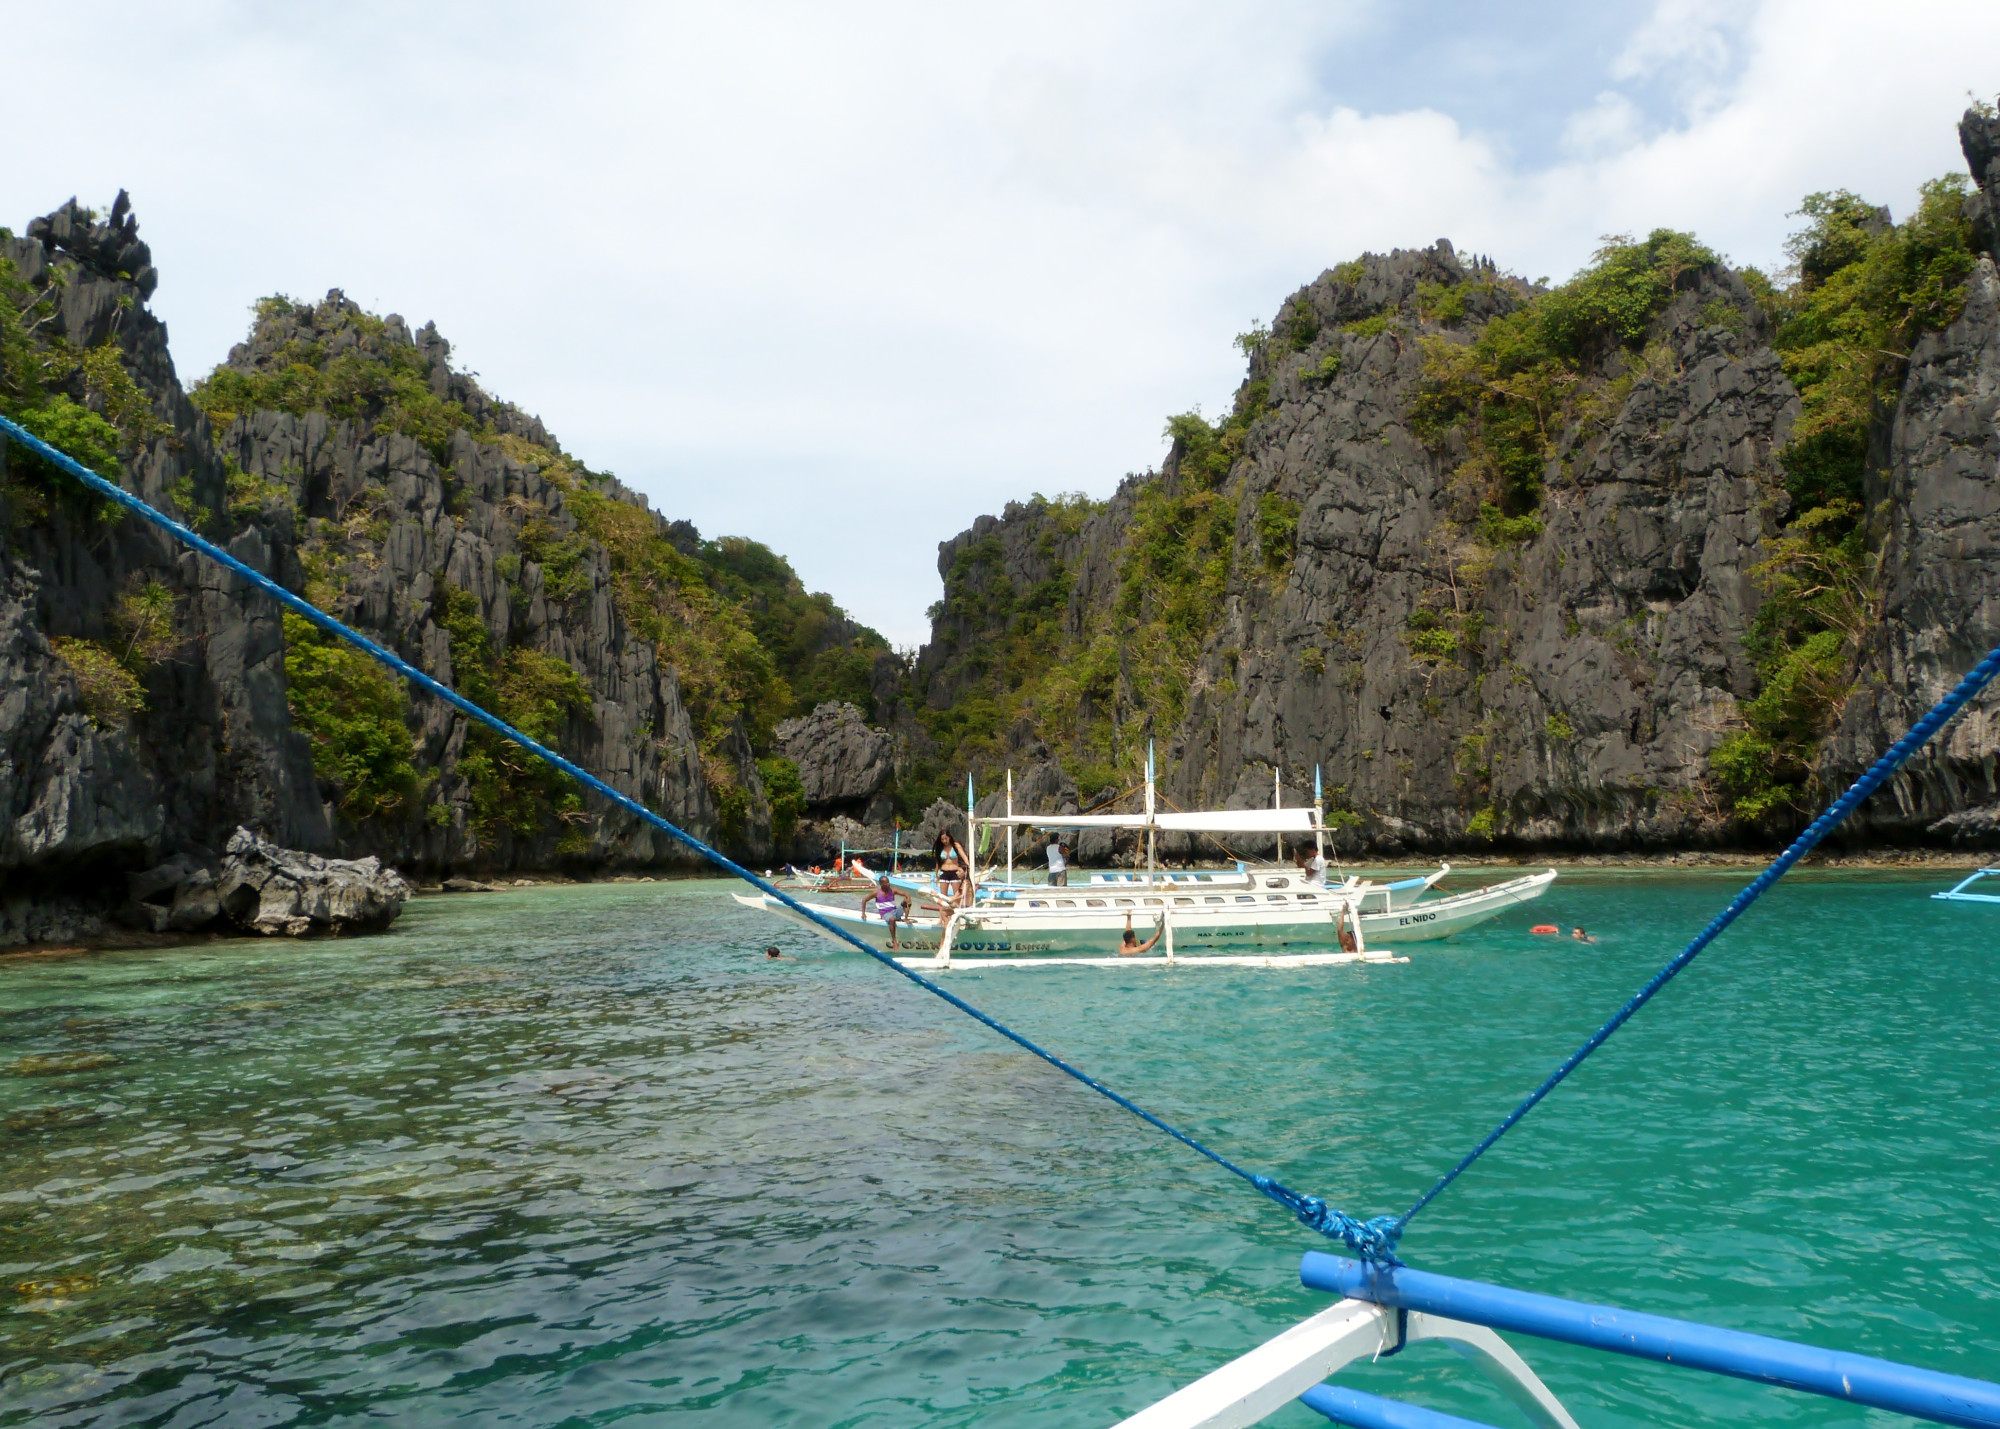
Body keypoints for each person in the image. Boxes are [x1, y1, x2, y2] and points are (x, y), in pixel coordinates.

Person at [863, 876, 913, 950]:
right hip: (886, 914)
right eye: (887, 883)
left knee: (906, 901)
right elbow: (864, 900)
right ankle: (894, 941)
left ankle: (905, 918)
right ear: (882, 884)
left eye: (889, 883)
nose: (889, 884)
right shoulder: (876, 893)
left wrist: (907, 897)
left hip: (895, 911)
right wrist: (863, 913)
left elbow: (906, 894)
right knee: (892, 919)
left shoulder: (893, 890)